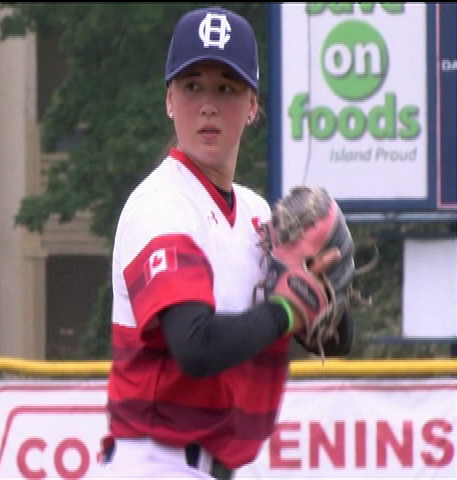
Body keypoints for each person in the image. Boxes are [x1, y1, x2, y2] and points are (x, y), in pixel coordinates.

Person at [95, 6, 351, 479]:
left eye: (226, 88)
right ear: (169, 99)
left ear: (252, 106)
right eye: (192, 85)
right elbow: (195, 348)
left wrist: (323, 297)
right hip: (154, 463)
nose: (208, 104)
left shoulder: (259, 217)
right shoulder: (161, 205)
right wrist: (287, 310)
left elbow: (333, 342)